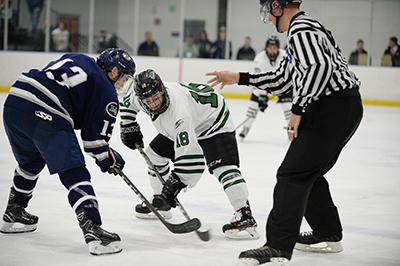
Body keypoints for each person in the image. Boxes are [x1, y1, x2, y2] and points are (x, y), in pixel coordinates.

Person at [207, 0, 363, 264]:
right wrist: (239, 78)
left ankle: (278, 246)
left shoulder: (301, 29)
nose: (267, 17)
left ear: (278, 7)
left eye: (267, 11)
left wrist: (298, 110)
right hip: (336, 108)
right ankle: (328, 233)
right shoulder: (303, 32)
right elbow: (282, 80)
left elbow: (318, 69)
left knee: (291, 174)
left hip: (333, 109)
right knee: (307, 172)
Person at [0, 48, 135, 255]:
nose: (122, 84)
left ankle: (14, 210)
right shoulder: (106, 90)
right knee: (74, 170)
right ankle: (93, 229)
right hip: (46, 110)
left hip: (15, 100)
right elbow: (94, 143)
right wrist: (109, 160)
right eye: (124, 78)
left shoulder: (80, 58)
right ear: (114, 71)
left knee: (31, 162)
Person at [118, 69, 259, 240]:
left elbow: (192, 162)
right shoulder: (142, 95)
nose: (153, 104)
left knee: (224, 168)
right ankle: (159, 204)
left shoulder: (179, 114)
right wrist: (128, 124)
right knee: (154, 155)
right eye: (148, 101)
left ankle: (245, 216)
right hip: (182, 124)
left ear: (162, 89)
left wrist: (175, 184)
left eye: (156, 98)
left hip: (212, 121)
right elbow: (127, 102)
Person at [239, 35, 292, 140]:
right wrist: (262, 96)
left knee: (288, 109)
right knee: (252, 107)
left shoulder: (285, 55)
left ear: (278, 48)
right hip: (264, 85)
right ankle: (246, 128)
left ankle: (291, 130)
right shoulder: (259, 58)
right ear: (266, 48)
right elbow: (256, 79)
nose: (272, 50)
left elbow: (290, 73)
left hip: (283, 85)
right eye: (270, 47)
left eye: (274, 47)